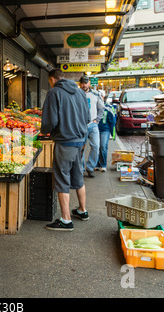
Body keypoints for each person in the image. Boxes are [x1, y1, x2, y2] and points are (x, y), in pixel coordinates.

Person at [41, 68, 91, 231]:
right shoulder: (80, 92)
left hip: (65, 142)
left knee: (62, 179)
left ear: (53, 79)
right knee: (78, 175)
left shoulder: (54, 93)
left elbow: (50, 120)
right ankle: (82, 211)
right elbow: (88, 118)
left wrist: (44, 131)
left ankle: (66, 220)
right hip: (80, 141)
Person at [79, 75, 104, 178]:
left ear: (89, 83)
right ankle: (80, 169)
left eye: (86, 83)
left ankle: (90, 167)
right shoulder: (76, 94)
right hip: (80, 125)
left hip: (93, 125)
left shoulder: (95, 94)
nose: (84, 85)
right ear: (80, 83)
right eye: (82, 83)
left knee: (96, 146)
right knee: (80, 148)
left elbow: (101, 108)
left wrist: (97, 120)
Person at [96, 102, 117, 172]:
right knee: (96, 147)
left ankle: (103, 165)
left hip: (105, 130)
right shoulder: (94, 105)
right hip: (95, 129)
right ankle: (97, 164)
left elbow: (113, 121)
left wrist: (113, 133)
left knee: (103, 146)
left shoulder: (108, 108)